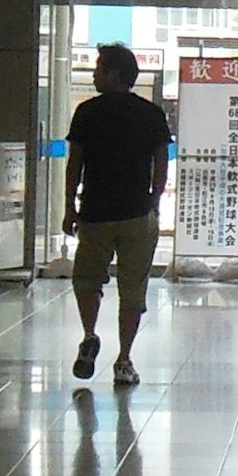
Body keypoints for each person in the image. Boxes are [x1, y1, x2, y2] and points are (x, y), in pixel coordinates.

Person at [60, 44, 172, 385]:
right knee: (133, 290)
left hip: (95, 213)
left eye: (99, 68)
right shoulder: (151, 114)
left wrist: (70, 206)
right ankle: (124, 359)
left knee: (87, 280)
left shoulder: (87, 113)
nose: (94, 73)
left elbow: (74, 164)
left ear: (113, 74)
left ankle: (91, 334)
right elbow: (162, 164)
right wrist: (153, 200)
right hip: (137, 215)